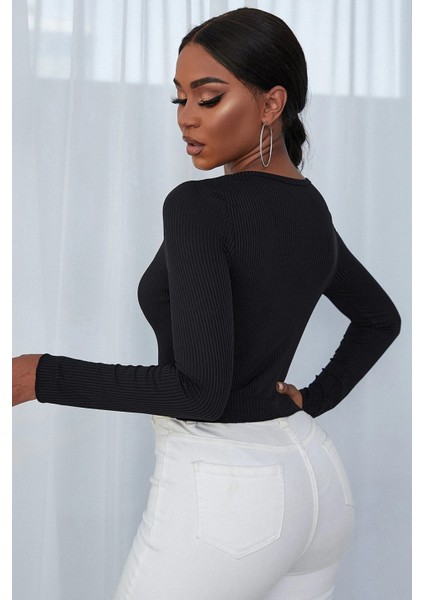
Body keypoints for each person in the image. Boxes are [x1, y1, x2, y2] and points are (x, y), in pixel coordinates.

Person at [13, 7, 401, 600]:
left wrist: (37, 375)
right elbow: (379, 318)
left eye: (208, 97)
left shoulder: (198, 207)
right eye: (180, 99)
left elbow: (200, 392)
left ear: (272, 104)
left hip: (228, 495)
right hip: (315, 481)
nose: (186, 117)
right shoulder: (309, 208)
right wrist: (315, 400)